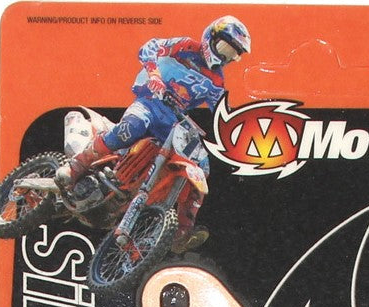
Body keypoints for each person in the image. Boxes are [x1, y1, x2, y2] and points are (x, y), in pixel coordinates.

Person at [55, 15, 251, 252]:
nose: (225, 57)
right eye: (225, 48)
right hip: (150, 101)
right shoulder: (186, 46)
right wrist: (154, 75)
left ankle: (181, 230)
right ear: (211, 37)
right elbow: (150, 47)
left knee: (202, 166)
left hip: (173, 119)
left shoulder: (217, 79)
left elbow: (219, 110)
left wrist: (235, 130)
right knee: (132, 128)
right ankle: (76, 167)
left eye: (232, 54)